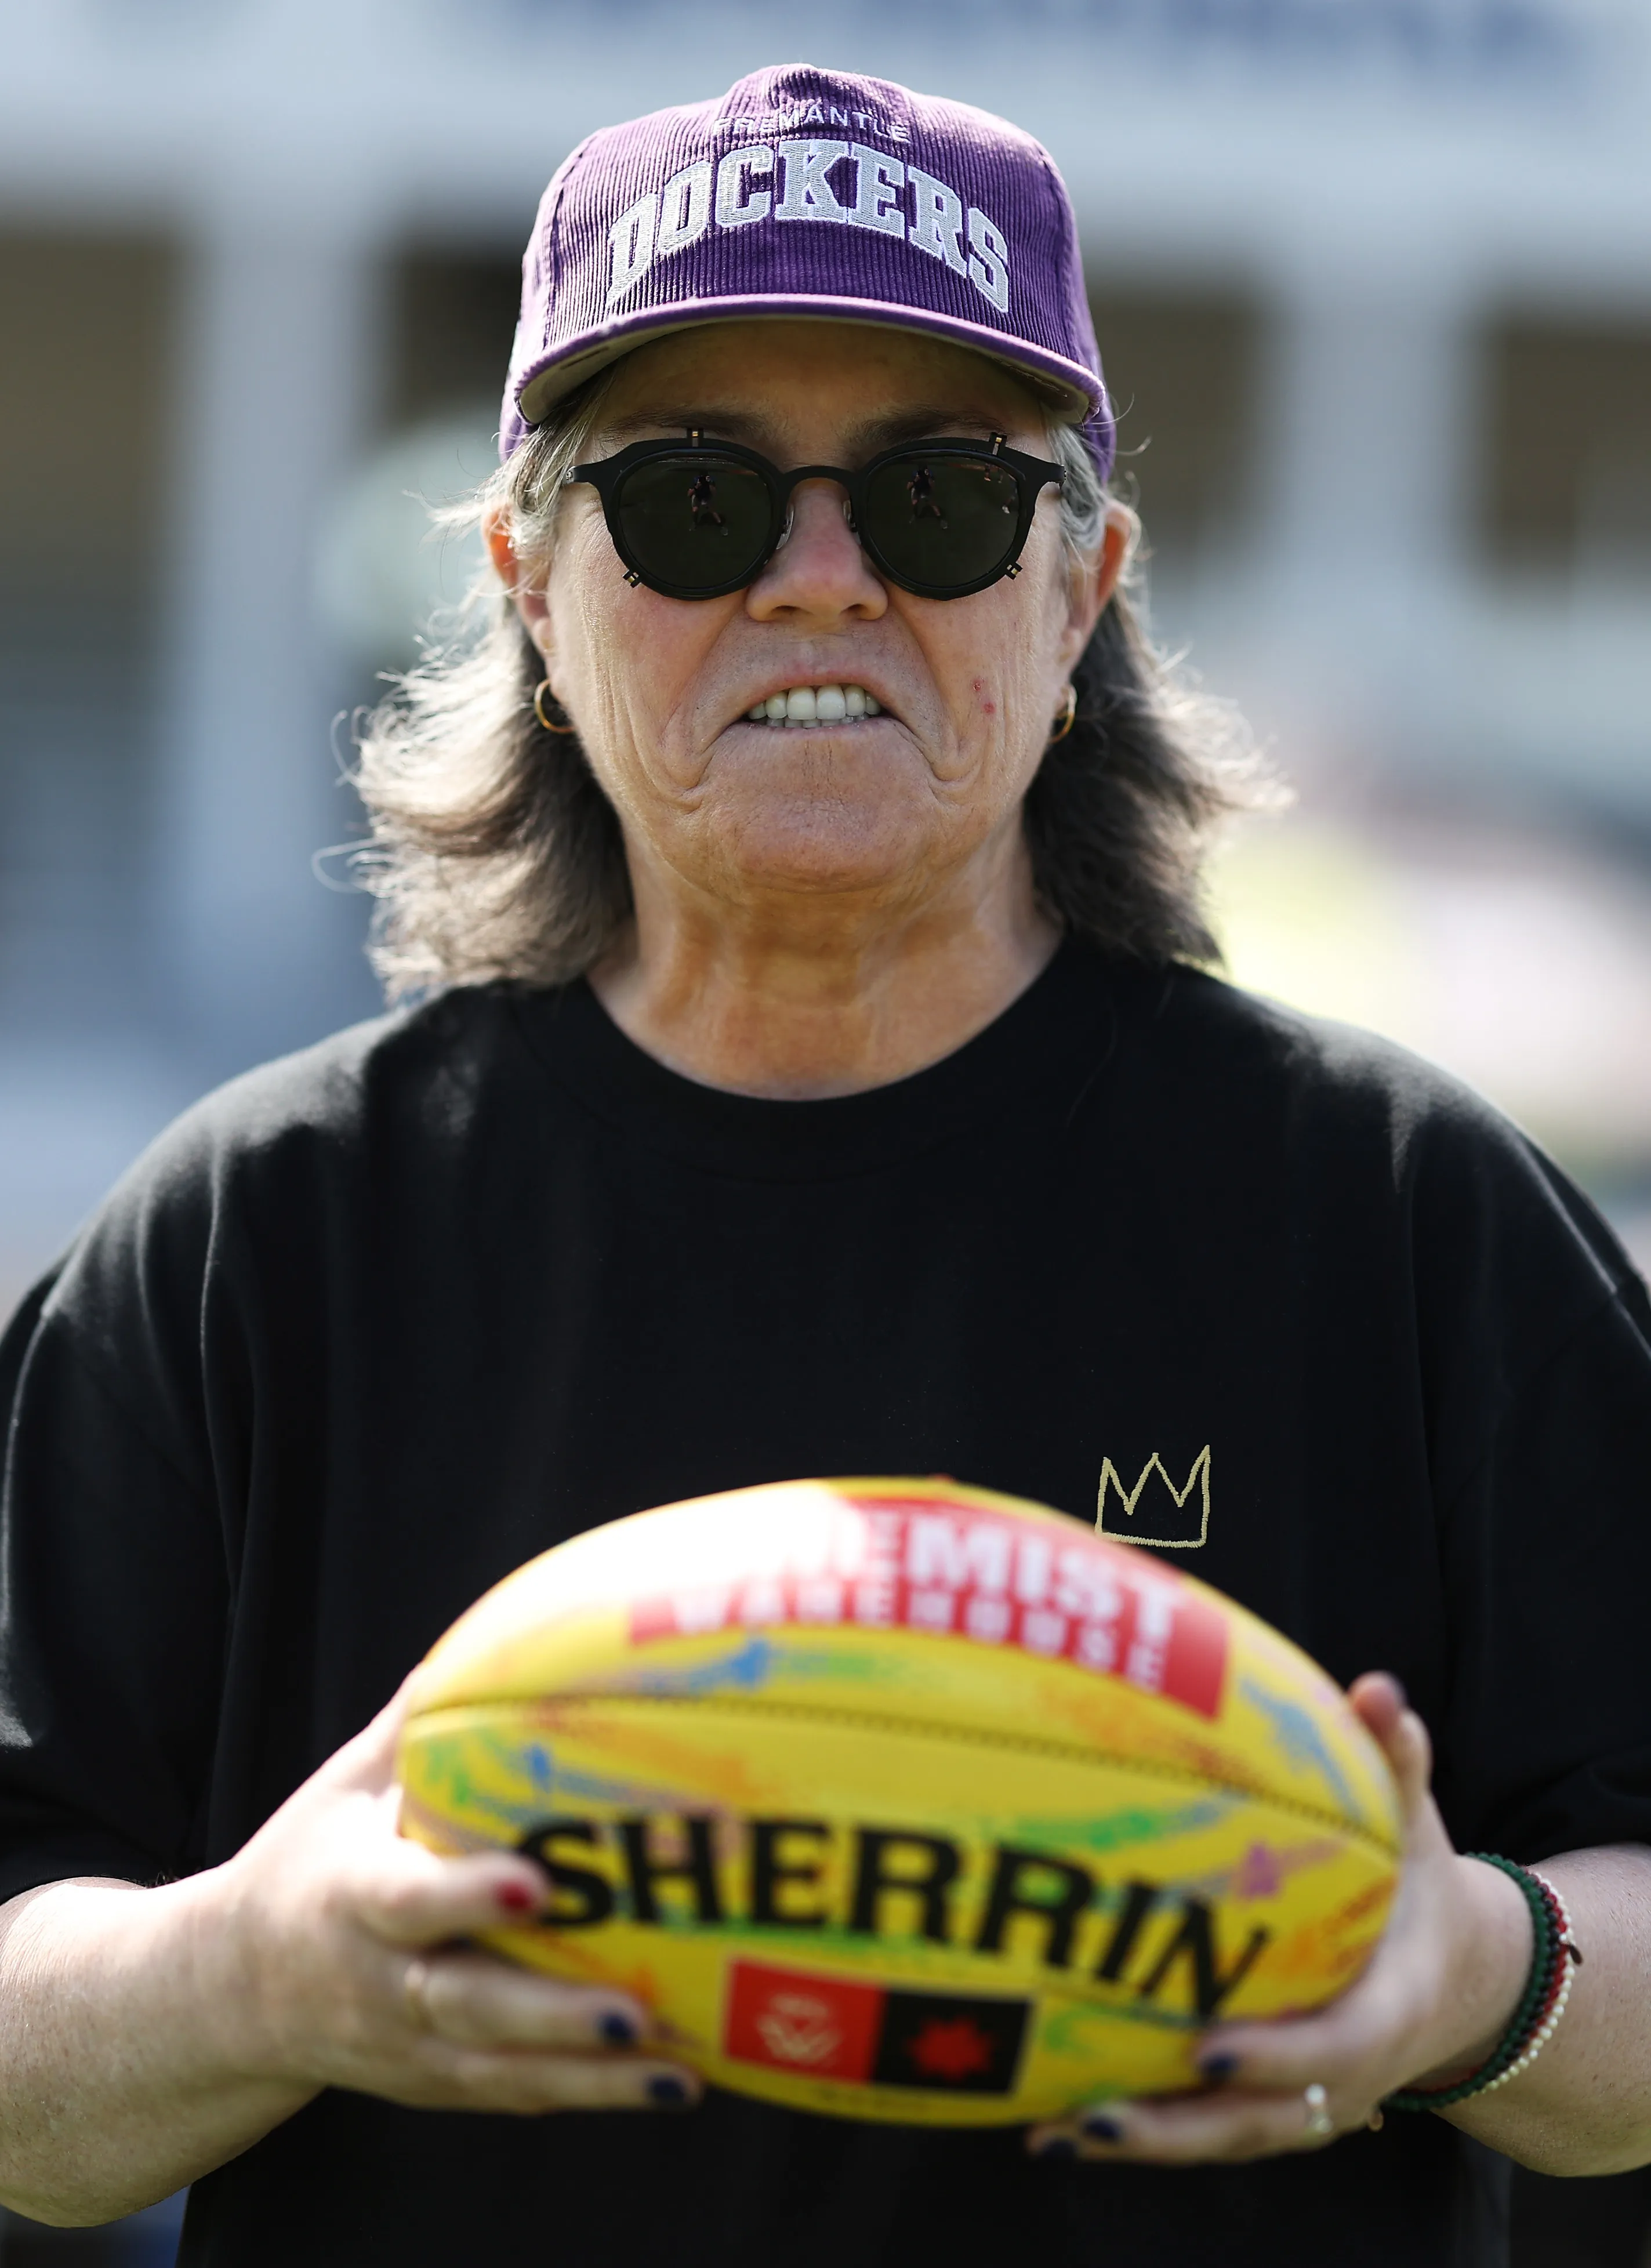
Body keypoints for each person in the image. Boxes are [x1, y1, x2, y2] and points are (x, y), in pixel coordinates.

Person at [1, 61, 1649, 2268]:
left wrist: (1470, 1974)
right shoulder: (253, 1242)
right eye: (688, 502)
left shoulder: (1402, 1214)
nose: (814, 583)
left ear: (1078, 597)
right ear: (527, 588)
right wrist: (250, 1973)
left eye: (941, 501)